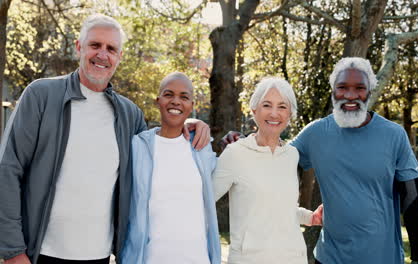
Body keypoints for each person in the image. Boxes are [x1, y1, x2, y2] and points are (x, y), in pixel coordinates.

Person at [0, 14, 209, 264]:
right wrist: (13, 251)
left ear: (119, 57)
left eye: (111, 49)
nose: (102, 54)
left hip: (99, 257)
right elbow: (8, 170)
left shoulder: (129, 115)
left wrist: (186, 122)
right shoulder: (41, 96)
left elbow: (157, 148)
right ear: (79, 47)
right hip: (38, 254)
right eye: (95, 45)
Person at [222, 58, 418, 264]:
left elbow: (412, 198)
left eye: (359, 88)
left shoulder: (394, 135)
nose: (350, 95)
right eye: (342, 87)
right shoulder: (316, 133)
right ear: (333, 91)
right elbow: (274, 157)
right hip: (330, 257)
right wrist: (243, 142)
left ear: (369, 92)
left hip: (383, 258)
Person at [213, 77, 323, 264]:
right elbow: (203, 202)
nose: (274, 113)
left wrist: (310, 217)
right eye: (267, 105)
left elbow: (279, 208)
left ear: (290, 114)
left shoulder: (291, 155)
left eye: (282, 107)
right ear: (254, 110)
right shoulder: (235, 153)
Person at [121, 72, 221, 264]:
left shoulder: (201, 147)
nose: (176, 101)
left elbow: (231, 162)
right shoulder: (137, 146)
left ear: (192, 105)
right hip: (149, 259)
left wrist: (233, 136)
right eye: (169, 95)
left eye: (184, 97)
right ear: (158, 100)